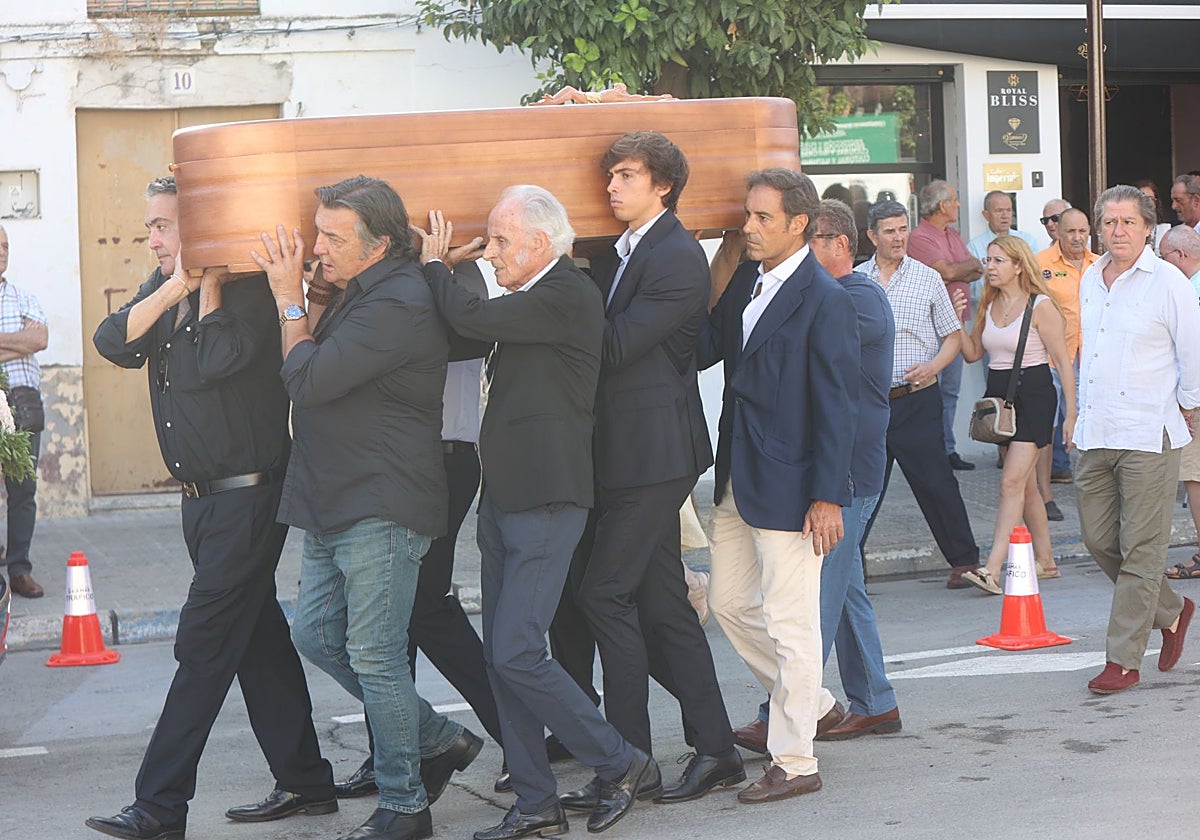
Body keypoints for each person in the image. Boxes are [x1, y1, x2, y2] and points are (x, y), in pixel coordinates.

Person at [88, 176, 336, 840]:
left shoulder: (252, 289)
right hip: (200, 506)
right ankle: (309, 780)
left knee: (202, 648)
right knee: (257, 642)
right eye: (149, 227)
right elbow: (112, 341)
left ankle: (159, 806)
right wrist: (175, 283)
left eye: (164, 226)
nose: (152, 237)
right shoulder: (161, 291)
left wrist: (210, 287)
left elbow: (220, 360)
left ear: (196, 230)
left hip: (247, 497)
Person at [418, 187, 654, 839]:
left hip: (548, 500)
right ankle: (535, 801)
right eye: (489, 241)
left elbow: (469, 318)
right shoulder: (531, 302)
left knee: (518, 650)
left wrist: (438, 264)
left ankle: (618, 760)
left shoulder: (566, 294)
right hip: (507, 498)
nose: (490, 254)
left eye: (498, 241)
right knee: (503, 656)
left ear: (538, 244)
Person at [253, 175, 482, 840]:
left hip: (381, 500)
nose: (316, 245)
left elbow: (309, 379)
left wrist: (288, 301)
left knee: (376, 654)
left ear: (379, 247)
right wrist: (313, 294)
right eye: (318, 230)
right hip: (335, 496)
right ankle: (439, 738)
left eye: (331, 236)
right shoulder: (366, 291)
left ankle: (406, 804)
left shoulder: (400, 302)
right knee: (316, 634)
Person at [557, 131, 742, 811]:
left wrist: (553, 291)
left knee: (605, 595)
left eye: (626, 175)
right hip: (624, 453)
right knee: (664, 606)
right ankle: (717, 750)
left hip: (655, 454)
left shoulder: (676, 258)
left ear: (663, 185)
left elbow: (612, 346)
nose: (610, 186)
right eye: (608, 175)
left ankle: (626, 764)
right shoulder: (621, 250)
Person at [701, 168, 860, 804]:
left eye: (763, 218)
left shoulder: (826, 299)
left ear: (800, 224)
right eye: (749, 215)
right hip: (739, 475)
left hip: (795, 485)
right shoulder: (750, 281)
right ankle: (813, 701)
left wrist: (828, 495)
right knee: (731, 603)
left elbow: (838, 405)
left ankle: (795, 760)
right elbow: (713, 351)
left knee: (793, 625)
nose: (750, 227)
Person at [725, 198, 902, 749]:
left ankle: (782, 716)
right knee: (844, 589)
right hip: (836, 465)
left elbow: (829, 398)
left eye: (813, 241)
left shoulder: (854, 299)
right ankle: (876, 701)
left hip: (844, 472)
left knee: (811, 603)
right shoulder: (824, 295)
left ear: (838, 245)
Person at [332, 261, 508, 800]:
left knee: (424, 608)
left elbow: (465, 333)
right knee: (392, 615)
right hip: (394, 462)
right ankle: (392, 752)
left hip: (444, 459)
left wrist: (437, 267)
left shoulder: (459, 279)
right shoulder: (383, 286)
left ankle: (514, 736)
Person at [1075, 185, 1200, 695]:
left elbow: (1192, 350)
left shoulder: (1168, 281)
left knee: (1142, 550)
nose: (1118, 231)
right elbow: (1093, 355)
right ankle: (1172, 611)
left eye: (1128, 222)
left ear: (1149, 227)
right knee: (1099, 539)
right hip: (1097, 429)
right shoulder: (1090, 278)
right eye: (1110, 222)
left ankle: (1123, 660)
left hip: (1150, 431)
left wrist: (1190, 407)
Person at [857, 200, 981, 589]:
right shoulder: (857, 281)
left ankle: (964, 562)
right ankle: (847, 565)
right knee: (861, 486)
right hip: (870, 402)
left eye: (902, 228)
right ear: (872, 236)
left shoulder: (928, 278)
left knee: (936, 481)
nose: (898, 237)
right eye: (889, 231)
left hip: (916, 398)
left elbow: (951, 337)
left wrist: (933, 368)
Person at [958, 235, 1076, 595]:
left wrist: (1071, 415)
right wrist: (954, 320)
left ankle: (992, 568)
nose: (989, 267)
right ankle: (1047, 560)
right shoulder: (989, 304)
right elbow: (973, 353)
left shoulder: (1040, 306)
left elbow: (1063, 365)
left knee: (1010, 482)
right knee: (1023, 486)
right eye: (988, 260)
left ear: (1018, 266)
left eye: (997, 261)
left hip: (1035, 394)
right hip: (1000, 400)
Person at [906, 180, 982, 471]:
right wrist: (955, 271)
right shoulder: (920, 238)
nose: (958, 205)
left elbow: (975, 268)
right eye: (954, 199)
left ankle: (946, 449)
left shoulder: (952, 234)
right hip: (932, 325)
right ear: (941, 205)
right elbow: (950, 271)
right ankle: (931, 450)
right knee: (930, 390)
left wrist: (954, 272)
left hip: (956, 324)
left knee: (950, 390)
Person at [0, 225, 48, 599]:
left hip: (23, 403)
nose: (2, 252)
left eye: (5, 246)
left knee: (22, 490)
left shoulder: (23, 297)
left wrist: (18, 342)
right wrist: (18, 342)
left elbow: (39, 339)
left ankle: (18, 569)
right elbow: (26, 341)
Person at [1160, 225, 1200, 580]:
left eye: (1164, 256)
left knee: (1194, 476)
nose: (1161, 264)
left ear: (1181, 256)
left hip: (1196, 395)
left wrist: (1187, 402)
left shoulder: (1187, 291)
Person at [966, 191, 1039, 260]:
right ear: (986, 215)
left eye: (1008, 210)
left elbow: (1034, 270)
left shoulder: (1027, 241)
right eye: (999, 211)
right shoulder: (975, 246)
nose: (1005, 216)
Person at [1134, 180, 1173, 255]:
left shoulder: (1165, 230)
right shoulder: (1128, 229)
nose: (1147, 202)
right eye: (1143, 198)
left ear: (1156, 202)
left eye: (1150, 199)